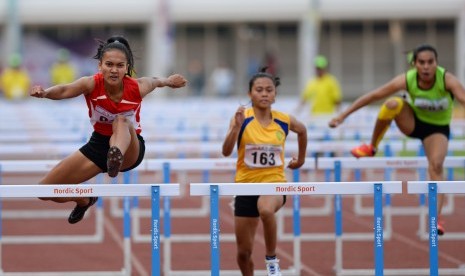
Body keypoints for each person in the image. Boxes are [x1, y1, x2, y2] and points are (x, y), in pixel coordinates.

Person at [30, 35, 187, 224]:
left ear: (127, 68)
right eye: (109, 64)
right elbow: (64, 90)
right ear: (100, 66)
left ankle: (115, 155)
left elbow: (156, 80)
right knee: (44, 190)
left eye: (120, 66)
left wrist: (170, 81)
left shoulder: (138, 87)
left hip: (129, 148)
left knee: (120, 121)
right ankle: (84, 200)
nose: (114, 70)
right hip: (99, 144)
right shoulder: (91, 84)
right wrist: (45, 93)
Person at [328, 44, 465, 236]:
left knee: (436, 165)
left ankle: (436, 218)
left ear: (436, 63)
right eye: (422, 62)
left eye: (430, 62)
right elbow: (374, 95)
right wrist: (343, 115)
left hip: (437, 129)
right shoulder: (407, 80)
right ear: (414, 64)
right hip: (413, 123)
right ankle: (372, 147)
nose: (426, 67)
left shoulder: (447, 80)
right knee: (392, 103)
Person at [222, 67, 307, 276]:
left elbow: (302, 131)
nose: (264, 94)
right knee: (243, 253)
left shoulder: (284, 120)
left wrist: (301, 160)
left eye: (269, 90)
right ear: (250, 94)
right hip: (245, 186)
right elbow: (225, 152)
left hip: (274, 183)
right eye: (259, 90)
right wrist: (235, 128)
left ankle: (271, 260)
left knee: (266, 209)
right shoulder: (242, 118)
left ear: (275, 95)